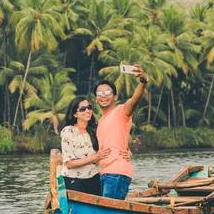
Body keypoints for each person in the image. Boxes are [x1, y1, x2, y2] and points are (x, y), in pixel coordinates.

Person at [95, 66, 148, 200]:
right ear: (96, 98)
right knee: (108, 213)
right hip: (104, 172)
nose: (103, 96)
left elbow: (134, 100)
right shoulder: (101, 120)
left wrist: (143, 81)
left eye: (107, 93)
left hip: (116, 171)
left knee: (108, 212)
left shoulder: (121, 111)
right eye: (100, 94)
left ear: (115, 96)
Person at [59, 97, 110, 195]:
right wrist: (95, 158)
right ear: (75, 114)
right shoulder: (68, 131)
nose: (87, 111)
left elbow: (109, 146)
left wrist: (125, 150)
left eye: (89, 107)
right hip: (74, 181)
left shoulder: (95, 130)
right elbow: (69, 164)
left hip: (95, 179)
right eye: (82, 109)